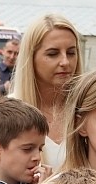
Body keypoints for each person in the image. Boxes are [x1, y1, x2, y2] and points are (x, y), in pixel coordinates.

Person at [8, 14, 82, 168]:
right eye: (53, 54)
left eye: (71, 52)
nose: (65, 62)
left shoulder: (90, 109)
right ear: (31, 58)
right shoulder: (7, 113)